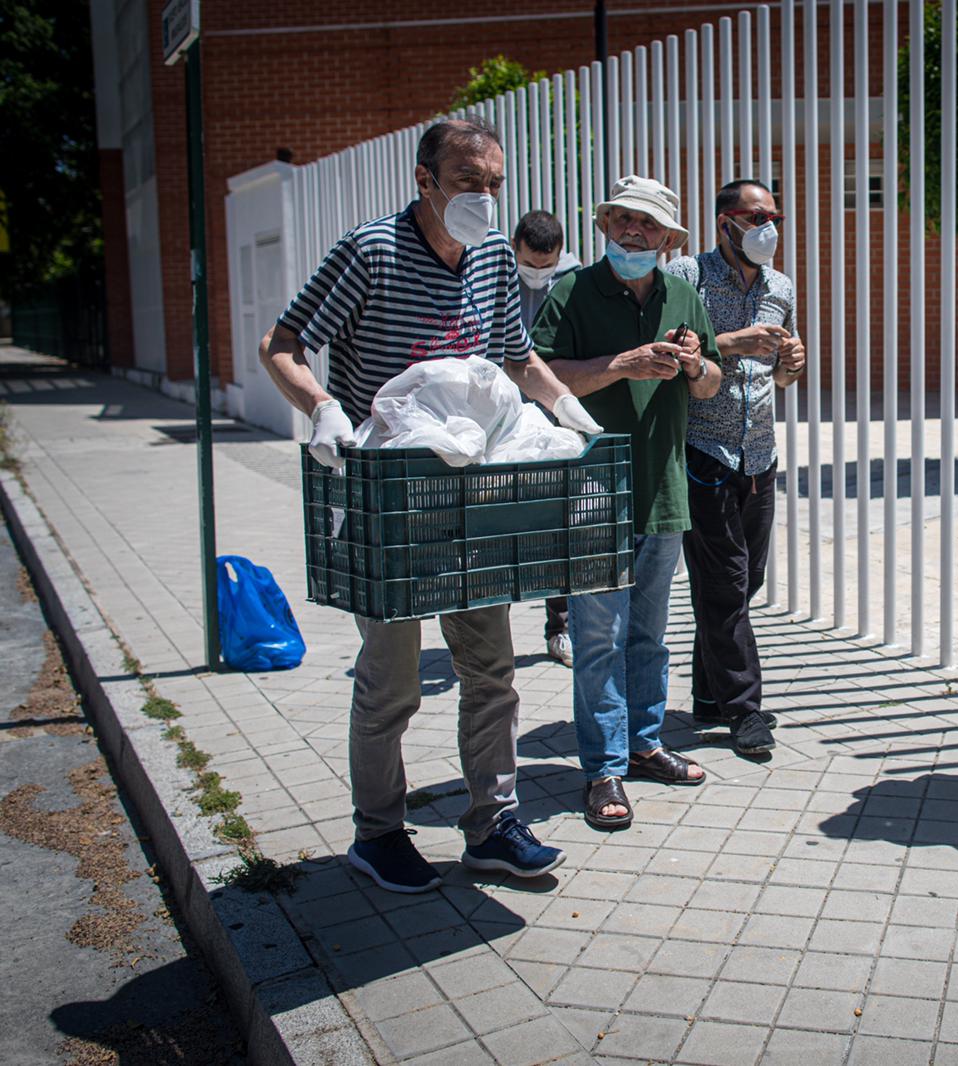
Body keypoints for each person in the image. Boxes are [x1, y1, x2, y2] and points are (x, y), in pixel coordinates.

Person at [259, 118, 603, 892]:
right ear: (425, 180)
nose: (482, 195)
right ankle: (377, 833)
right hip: (388, 502)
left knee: (491, 670)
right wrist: (319, 406)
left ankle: (493, 826)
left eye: (493, 183)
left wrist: (565, 412)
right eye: (466, 179)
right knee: (392, 682)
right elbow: (282, 343)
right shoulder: (369, 250)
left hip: (467, 503)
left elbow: (516, 358)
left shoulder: (490, 258)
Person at [531, 176, 723, 831]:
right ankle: (603, 769)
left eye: (647, 225)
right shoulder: (572, 291)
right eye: (622, 220)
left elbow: (712, 387)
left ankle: (644, 746)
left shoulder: (683, 296)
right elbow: (539, 381)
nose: (633, 232)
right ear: (606, 226)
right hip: (590, 493)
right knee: (597, 640)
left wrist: (696, 366)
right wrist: (622, 363)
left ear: (669, 239)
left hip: (664, 493)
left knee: (649, 637)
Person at [664, 179, 804, 759]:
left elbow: (782, 375)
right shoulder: (686, 278)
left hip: (760, 455)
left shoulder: (780, 285)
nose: (767, 227)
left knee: (747, 583)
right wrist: (732, 341)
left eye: (775, 215)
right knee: (724, 585)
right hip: (704, 453)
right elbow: (670, 356)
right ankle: (745, 711)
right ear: (725, 222)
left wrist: (793, 363)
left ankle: (706, 693)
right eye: (755, 216)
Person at [513, 209, 584, 667]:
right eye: (529, 264)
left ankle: (560, 626)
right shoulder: (495, 275)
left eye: (547, 266)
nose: (538, 274)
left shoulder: (575, 281)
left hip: (556, 416)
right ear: (515, 248)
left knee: (561, 526)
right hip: (506, 417)